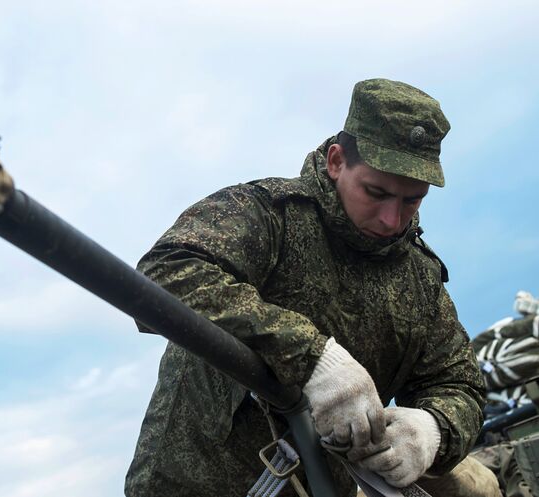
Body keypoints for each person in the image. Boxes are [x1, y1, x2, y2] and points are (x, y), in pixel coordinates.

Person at [125, 79, 488, 497]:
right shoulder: (267, 215)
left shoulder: (419, 280)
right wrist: (313, 358)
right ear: (336, 161)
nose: (392, 219)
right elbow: (165, 274)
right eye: (377, 192)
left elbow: (459, 385)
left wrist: (431, 430)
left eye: (412, 200)